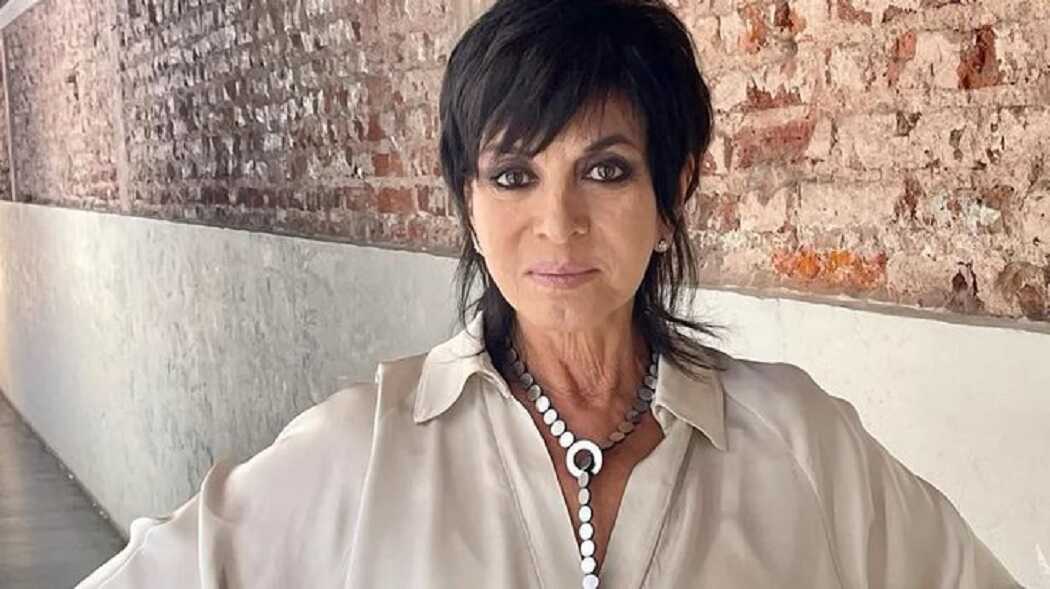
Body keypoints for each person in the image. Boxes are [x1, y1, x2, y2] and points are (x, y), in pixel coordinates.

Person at [78, 0, 1022, 587]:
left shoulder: (803, 445)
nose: (557, 224)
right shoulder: (360, 456)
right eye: (514, 175)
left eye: (605, 170)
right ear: (469, 203)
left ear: (672, 193)